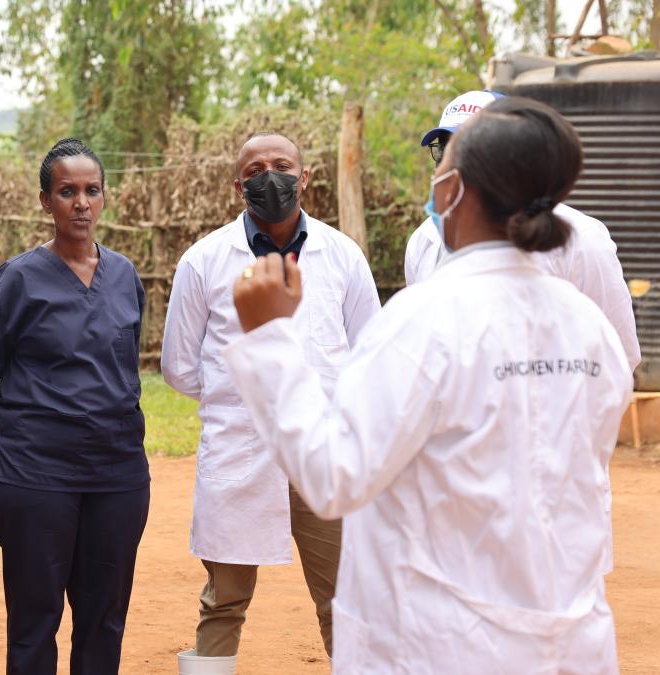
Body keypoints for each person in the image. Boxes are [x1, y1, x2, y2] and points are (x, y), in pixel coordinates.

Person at [227, 97, 633, 673]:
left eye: (443, 166)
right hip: (567, 638)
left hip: (443, 643)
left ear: (456, 191)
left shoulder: (427, 320)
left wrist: (269, 338)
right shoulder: (585, 323)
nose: (434, 177)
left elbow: (332, 475)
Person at [162, 132, 379, 671]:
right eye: (255, 169)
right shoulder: (205, 261)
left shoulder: (343, 256)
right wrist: (240, 402)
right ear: (239, 186)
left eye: (282, 165)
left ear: (305, 177)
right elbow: (179, 366)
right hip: (240, 451)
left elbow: (369, 355)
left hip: (324, 454)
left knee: (344, 599)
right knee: (224, 600)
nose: (270, 177)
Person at [0, 138, 150, 675]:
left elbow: (124, 366)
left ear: (105, 198)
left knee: (104, 618)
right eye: (67, 192)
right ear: (46, 201)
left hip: (117, 475)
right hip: (35, 477)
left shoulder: (125, 277)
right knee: (34, 618)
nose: (81, 203)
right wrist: (9, 437)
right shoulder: (18, 280)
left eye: (92, 191)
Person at [405, 90, 640, 371]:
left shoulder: (583, 240)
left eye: (472, 150)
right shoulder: (425, 242)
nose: (453, 165)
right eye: (445, 148)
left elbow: (618, 357)